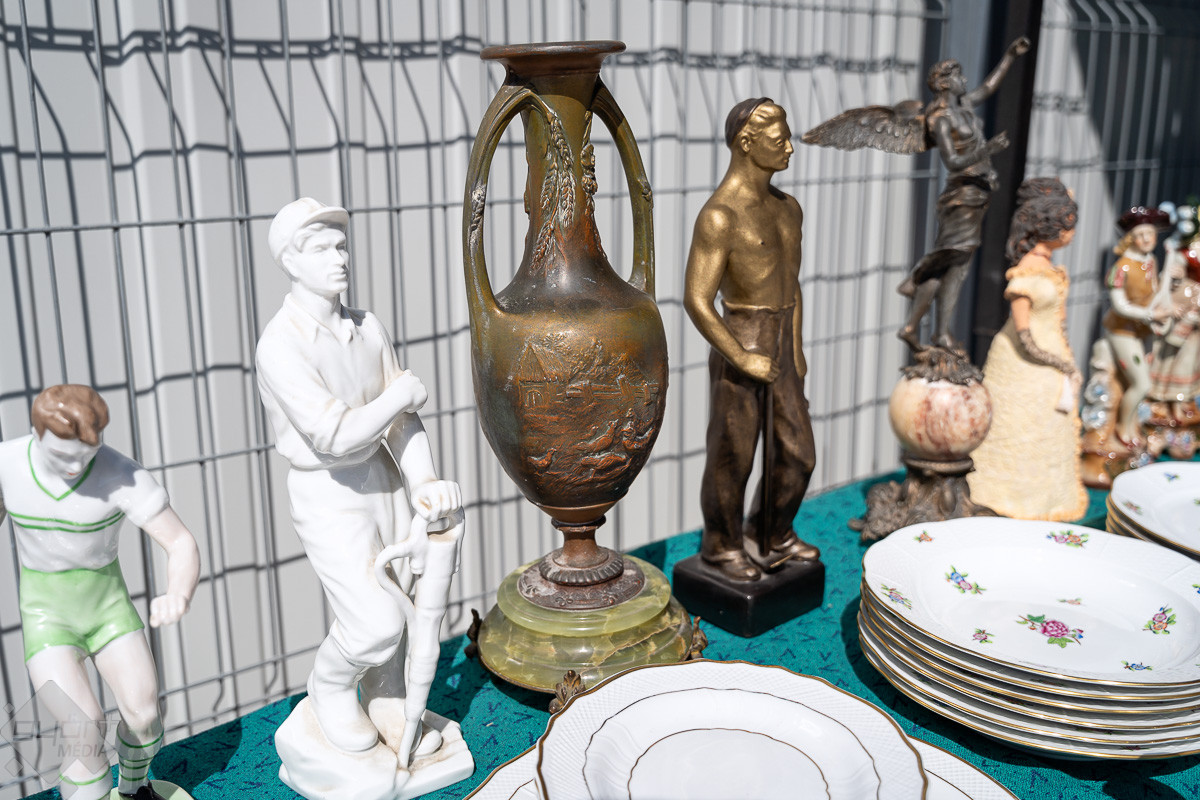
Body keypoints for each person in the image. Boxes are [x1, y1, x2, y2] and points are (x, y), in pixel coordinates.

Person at [255, 198, 461, 759]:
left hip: (383, 478)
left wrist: (423, 479)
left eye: (341, 245)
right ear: (290, 261)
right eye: (321, 248)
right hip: (328, 491)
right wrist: (399, 394)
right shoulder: (281, 344)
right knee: (374, 621)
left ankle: (386, 695)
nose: (339, 258)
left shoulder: (367, 327)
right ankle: (329, 686)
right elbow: (333, 435)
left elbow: (401, 420)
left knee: (404, 596)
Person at [0, 384, 200, 800]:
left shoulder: (122, 475)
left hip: (108, 610)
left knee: (145, 717)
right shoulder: (7, 464)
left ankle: (134, 789)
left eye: (86, 455)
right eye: (61, 456)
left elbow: (180, 541)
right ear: (37, 434)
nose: (75, 467)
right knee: (83, 726)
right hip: (47, 617)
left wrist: (177, 593)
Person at [684, 99, 819, 583]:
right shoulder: (719, 216)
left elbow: (792, 283)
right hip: (739, 336)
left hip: (782, 335)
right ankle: (721, 545)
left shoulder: (788, 209)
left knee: (798, 452)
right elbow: (696, 300)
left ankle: (772, 533)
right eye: (779, 139)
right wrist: (742, 357)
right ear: (747, 142)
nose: (790, 147)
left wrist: (795, 349)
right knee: (732, 454)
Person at [967, 178, 1087, 520]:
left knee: (1047, 427)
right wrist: (1060, 364)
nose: (1072, 234)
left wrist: (1064, 359)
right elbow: (1025, 338)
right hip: (1024, 363)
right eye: (1068, 225)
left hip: (1051, 360)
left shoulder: (1050, 269)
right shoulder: (1025, 274)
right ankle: (1006, 499)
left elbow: (1057, 323)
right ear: (1050, 227)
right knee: (1018, 426)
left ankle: (1045, 498)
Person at [1102, 206, 1178, 450]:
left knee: (1143, 380)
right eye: (1140, 235)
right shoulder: (1121, 267)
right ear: (1130, 238)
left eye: (1150, 234)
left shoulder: (1151, 261)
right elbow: (1120, 305)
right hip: (1123, 331)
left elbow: (1153, 293)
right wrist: (1150, 314)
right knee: (1142, 383)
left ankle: (1133, 423)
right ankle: (1123, 429)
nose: (1147, 239)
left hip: (1144, 331)